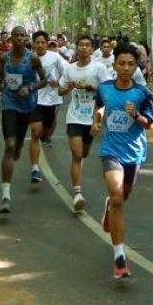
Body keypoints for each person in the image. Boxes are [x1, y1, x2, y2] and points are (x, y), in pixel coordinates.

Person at [93, 43, 153, 279]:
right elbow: (99, 106)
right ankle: (119, 257)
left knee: (121, 198)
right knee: (118, 197)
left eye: (131, 64)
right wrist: (96, 121)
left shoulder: (142, 92)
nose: (126, 68)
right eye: (122, 63)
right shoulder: (105, 88)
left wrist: (135, 115)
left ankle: (110, 207)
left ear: (136, 65)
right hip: (110, 150)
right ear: (114, 65)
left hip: (134, 152)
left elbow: (149, 123)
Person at [0, 26, 46, 214]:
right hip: (9, 104)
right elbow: (0, 76)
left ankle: (18, 147)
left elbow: (44, 80)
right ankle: (6, 197)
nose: (18, 39)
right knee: (9, 145)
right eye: (15, 36)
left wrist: (31, 87)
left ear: (26, 39)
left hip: (27, 106)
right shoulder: (4, 58)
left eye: (22, 36)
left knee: (16, 147)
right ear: (10, 38)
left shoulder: (32, 58)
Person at [59, 33, 105, 211]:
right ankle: (77, 193)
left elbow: (107, 91)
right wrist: (68, 87)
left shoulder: (99, 69)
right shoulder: (70, 69)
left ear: (92, 49)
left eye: (87, 45)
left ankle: (78, 169)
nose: (84, 48)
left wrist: (91, 87)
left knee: (84, 153)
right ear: (76, 48)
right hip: (74, 116)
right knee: (77, 154)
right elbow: (61, 91)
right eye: (81, 45)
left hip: (92, 116)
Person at [29, 30, 66, 182]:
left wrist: (59, 83)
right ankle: (35, 169)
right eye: (37, 42)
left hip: (52, 98)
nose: (40, 45)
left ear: (46, 43)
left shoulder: (55, 57)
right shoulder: (29, 58)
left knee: (48, 127)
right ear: (33, 44)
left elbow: (67, 72)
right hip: (35, 99)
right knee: (35, 133)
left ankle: (47, 136)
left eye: (42, 42)